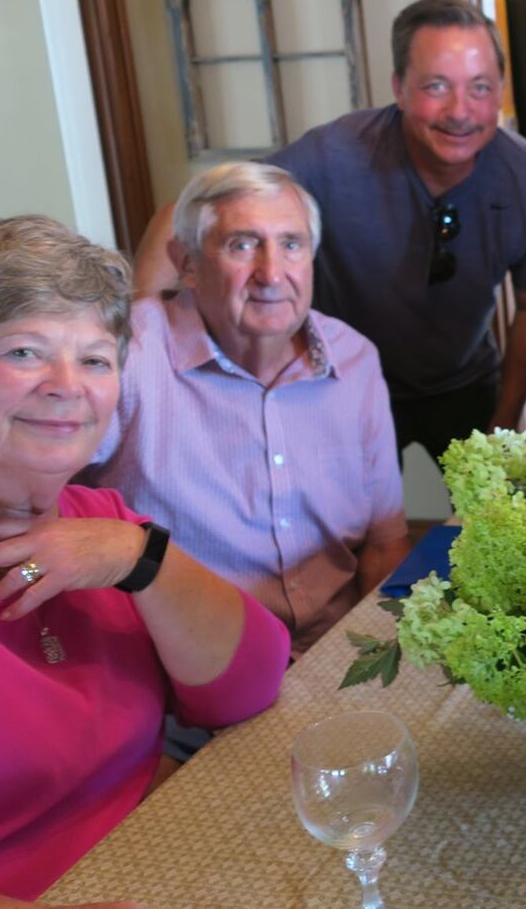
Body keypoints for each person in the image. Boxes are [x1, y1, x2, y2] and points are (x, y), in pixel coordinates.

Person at [0, 216, 288, 907]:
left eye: (95, 359)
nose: (67, 385)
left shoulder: (101, 525)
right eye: (25, 352)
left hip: (163, 865)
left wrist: (141, 556)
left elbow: (247, 688)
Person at [134, 0, 526, 462]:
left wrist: (502, 427)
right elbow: (184, 213)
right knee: (351, 530)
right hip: (340, 380)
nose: (460, 111)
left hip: (465, 379)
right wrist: (143, 353)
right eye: (437, 86)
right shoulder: (334, 155)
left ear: (501, 91)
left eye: (480, 88)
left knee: (488, 521)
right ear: (399, 89)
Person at [81, 162, 409, 657]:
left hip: (334, 656)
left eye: (291, 244)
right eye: (242, 245)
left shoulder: (354, 359)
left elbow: (385, 544)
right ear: (186, 263)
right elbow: (28, 491)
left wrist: (383, 660)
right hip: (189, 676)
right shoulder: (125, 359)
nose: (272, 274)